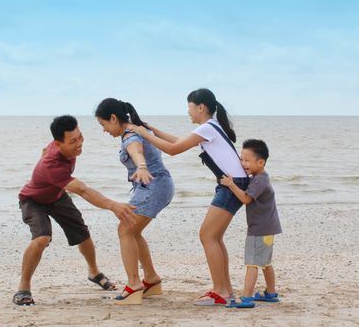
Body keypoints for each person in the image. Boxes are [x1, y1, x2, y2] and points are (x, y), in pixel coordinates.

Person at [129, 88, 248, 306]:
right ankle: (225, 290)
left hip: (231, 185)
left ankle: (220, 292)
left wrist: (145, 135)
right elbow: (178, 141)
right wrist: (152, 130)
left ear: (200, 107)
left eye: (189, 107)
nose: (188, 112)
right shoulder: (210, 128)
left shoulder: (208, 127)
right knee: (214, 237)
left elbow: (174, 150)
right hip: (233, 184)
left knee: (207, 236)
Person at [13, 115, 136, 306]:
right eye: (73, 141)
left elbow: (45, 150)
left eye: (80, 137)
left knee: (82, 235)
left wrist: (43, 155)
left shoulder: (60, 147)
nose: (79, 144)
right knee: (42, 238)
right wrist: (113, 205)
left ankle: (94, 273)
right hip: (33, 200)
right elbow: (83, 190)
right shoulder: (52, 165)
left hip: (57, 195)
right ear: (59, 143)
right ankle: (23, 286)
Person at [95, 98, 174, 305]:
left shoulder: (130, 135)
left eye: (103, 124)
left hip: (152, 184)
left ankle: (133, 285)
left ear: (113, 118)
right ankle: (151, 279)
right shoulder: (135, 129)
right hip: (157, 185)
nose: (104, 130)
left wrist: (141, 166)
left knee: (125, 229)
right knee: (132, 230)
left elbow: (136, 151)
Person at [221, 139, 282, 308]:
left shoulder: (259, 181)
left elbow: (246, 199)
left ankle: (246, 298)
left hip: (259, 229)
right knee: (265, 262)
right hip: (268, 228)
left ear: (260, 162)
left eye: (247, 160)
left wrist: (231, 184)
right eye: (241, 159)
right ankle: (271, 293)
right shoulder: (259, 178)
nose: (243, 163)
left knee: (252, 263)